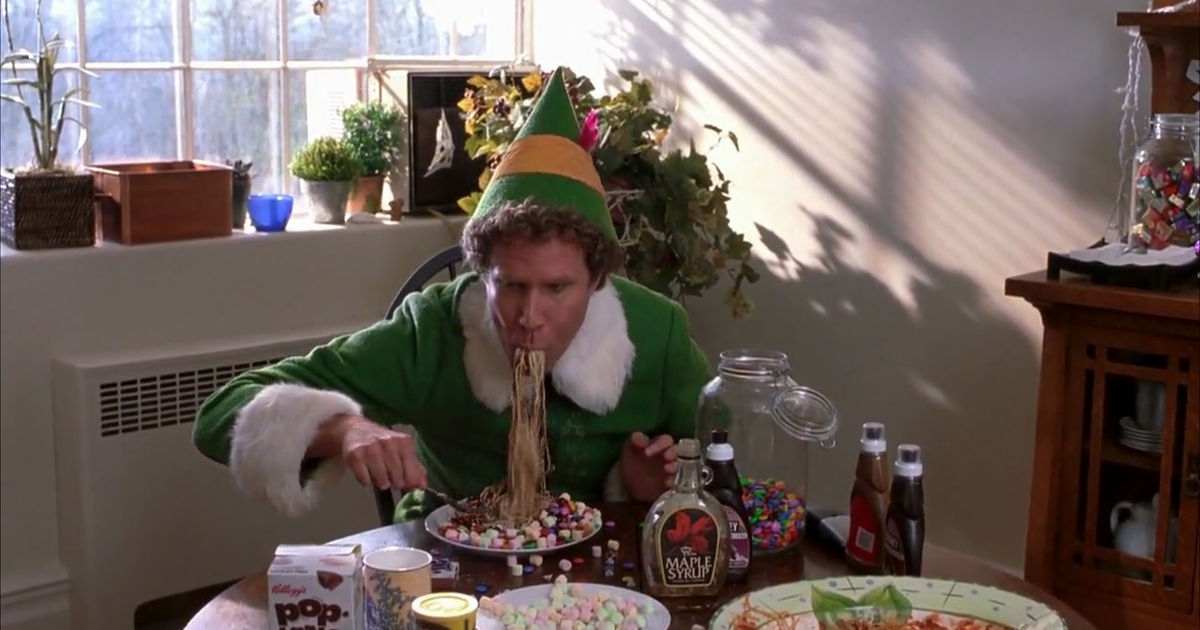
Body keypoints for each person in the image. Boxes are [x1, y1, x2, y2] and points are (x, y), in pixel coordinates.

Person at [192, 67, 712, 521]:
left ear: (596, 279)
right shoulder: (432, 330)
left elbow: (723, 466)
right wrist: (342, 427)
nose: (530, 316)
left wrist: (656, 491)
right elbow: (222, 416)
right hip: (450, 569)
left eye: (557, 288)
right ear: (482, 274)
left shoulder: (657, 333)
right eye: (511, 285)